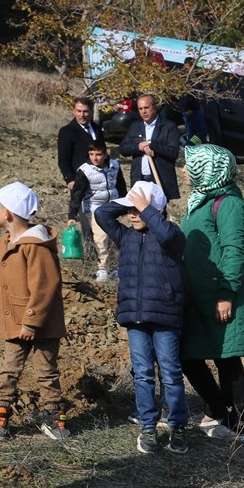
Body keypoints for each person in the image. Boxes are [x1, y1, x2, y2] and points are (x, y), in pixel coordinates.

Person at [94, 182, 189, 455]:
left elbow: (166, 233)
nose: (132, 215)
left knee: (170, 374)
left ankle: (178, 425)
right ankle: (148, 425)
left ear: (155, 210)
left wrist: (148, 209)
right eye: (130, 211)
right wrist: (128, 202)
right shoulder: (126, 236)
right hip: (135, 318)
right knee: (143, 374)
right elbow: (102, 214)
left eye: (138, 211)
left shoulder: (171, 235)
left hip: (166, 317)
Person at [0, 182, 71, 441]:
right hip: (11, 323)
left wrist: (31, 323)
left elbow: (46, 286)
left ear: (7, 213)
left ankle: (52, 418)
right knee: (8, 369)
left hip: (40, 325)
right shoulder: (2, 245)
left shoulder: (36, 245)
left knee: (47, 372)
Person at [180, 143, 244, 442]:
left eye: (190, 164)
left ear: (207, 168)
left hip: (222, 294)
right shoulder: (199, 201)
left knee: (227, 357)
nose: (184, 169)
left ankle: (239, 425)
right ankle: (216, 407)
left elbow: (234, 250)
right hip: (197, 297)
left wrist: (226, 293)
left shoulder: (229, 203)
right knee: (188, 354)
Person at [68, 140, 126, 282]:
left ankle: (114, 267)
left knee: (114, 238)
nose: (95, 158)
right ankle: (102, 268)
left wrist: (125, 205)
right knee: (101, 238)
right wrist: (72, 214)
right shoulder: (85, 170)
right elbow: (77, 194)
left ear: (105, 155)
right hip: (95, 208)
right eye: (92, 154)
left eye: (98, 154)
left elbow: (121, 185)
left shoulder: (115, 166)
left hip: (113, 206)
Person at [119, 93, 181, 205]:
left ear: (154, 107)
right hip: (140, 179)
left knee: (159, 215)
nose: (144, 111)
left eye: (146, 108)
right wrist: (139, 147)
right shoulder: (135, 127)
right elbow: (123, 149)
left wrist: (152, 145)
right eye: (140, 109)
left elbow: (173, 153)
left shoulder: (168, 127)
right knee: (140, 215)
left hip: (159, 179)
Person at [57, 97, 104, 190]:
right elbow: (63, 159)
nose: (81, 115)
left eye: (85, 111)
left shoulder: (97, 129)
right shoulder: (67, 131)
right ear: (74, 111)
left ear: (91, 112)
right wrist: (70, 179)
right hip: (80, 180)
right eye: (78, 111)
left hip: (100, 179)